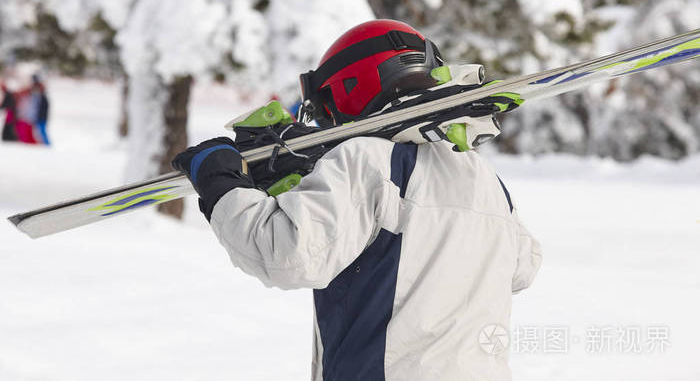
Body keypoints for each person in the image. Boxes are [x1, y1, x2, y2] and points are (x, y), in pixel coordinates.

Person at [172, 20, 542, 380]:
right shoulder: (483, 177)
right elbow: (524, 266)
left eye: (324, 113)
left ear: (348, 90)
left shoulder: (367, 160)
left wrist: (221, 180)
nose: (325, 125)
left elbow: (286, 253)